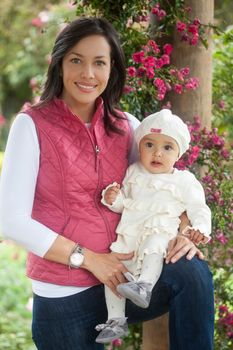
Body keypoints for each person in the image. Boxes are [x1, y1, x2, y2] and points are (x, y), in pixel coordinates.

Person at [0, 17, 214, 350]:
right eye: (76, 60)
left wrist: (186, 230)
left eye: (99, 62)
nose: (88, 73)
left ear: (112, 69)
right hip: (64, 299)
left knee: (192, 272)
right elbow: (10, 220)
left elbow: (164, 181)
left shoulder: (128, 126)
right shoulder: (31, 125)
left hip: (125, 282)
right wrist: (89, 259)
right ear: (59, 66)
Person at [95, 109, 211, 343]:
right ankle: (116, 320)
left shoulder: (183, 181)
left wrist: (199, 229)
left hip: (159, 235)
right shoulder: (133, 173)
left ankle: (144, 287)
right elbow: (123, 204)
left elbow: (199, 208)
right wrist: (112, 197)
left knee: (155, 244)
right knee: (114, 274)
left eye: (167, 147)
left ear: (179, 152)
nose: (157, 153)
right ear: (139, 148)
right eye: (149, 145)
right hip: (129, 239)